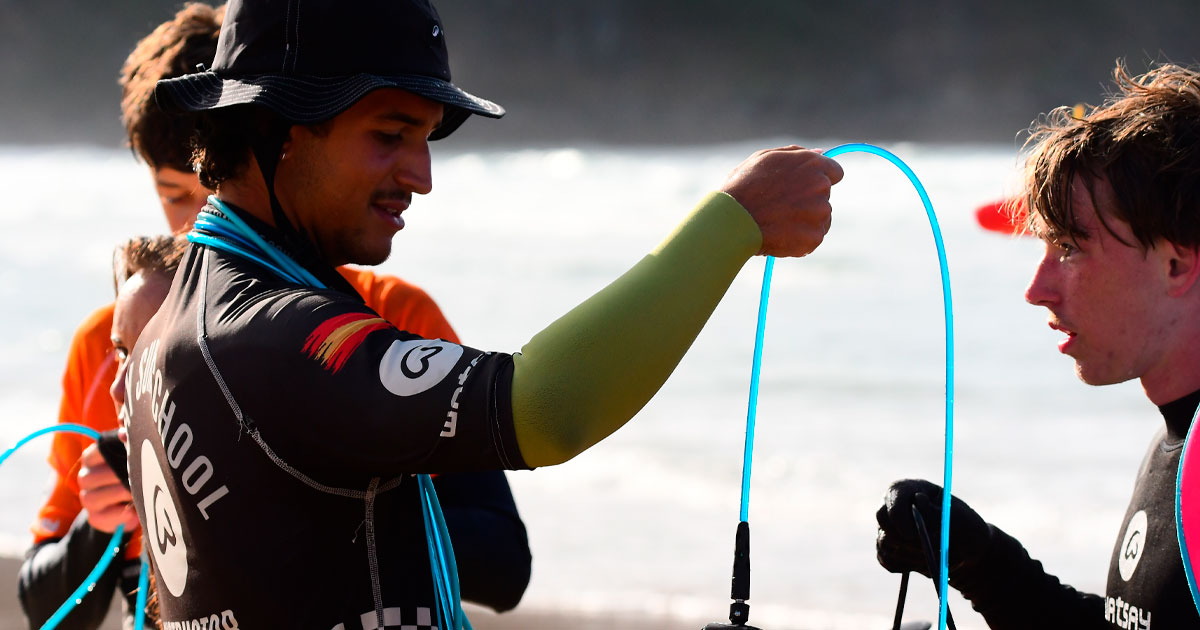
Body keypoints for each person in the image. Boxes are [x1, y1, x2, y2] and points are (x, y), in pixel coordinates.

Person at [122, 0, 842, 627]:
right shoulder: (273, 338)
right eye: (389, 135)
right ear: (279, 126)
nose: (421, 177)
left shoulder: (169, 328)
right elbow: (548, 406)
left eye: (426, 138)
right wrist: (734, 222)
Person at [18, 4, 530, 628]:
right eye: (174, 196)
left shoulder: (389, 314)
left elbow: (505, 563)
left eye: (210, 191)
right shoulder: (111, 348)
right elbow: (43, 607)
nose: (194, 226)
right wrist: (110, 523)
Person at [875, 62, 1200, 628]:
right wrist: (978, 559)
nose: (1036, 289)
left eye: (1071, 248)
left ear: (1175, 264)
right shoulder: (1175, 443)